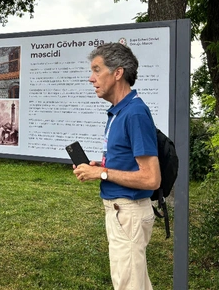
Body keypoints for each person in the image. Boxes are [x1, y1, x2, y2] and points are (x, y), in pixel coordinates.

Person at [73, 42, 160, 290]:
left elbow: (151, 179)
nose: (91, 78)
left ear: (118, 73)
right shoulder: (119, 112)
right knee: (135, 284)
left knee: (128, 285)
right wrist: (99, 166)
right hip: (122, 212)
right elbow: (129, 162)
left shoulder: (134, 113)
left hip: (129, 212)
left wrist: (101, 172)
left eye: (97, 70)